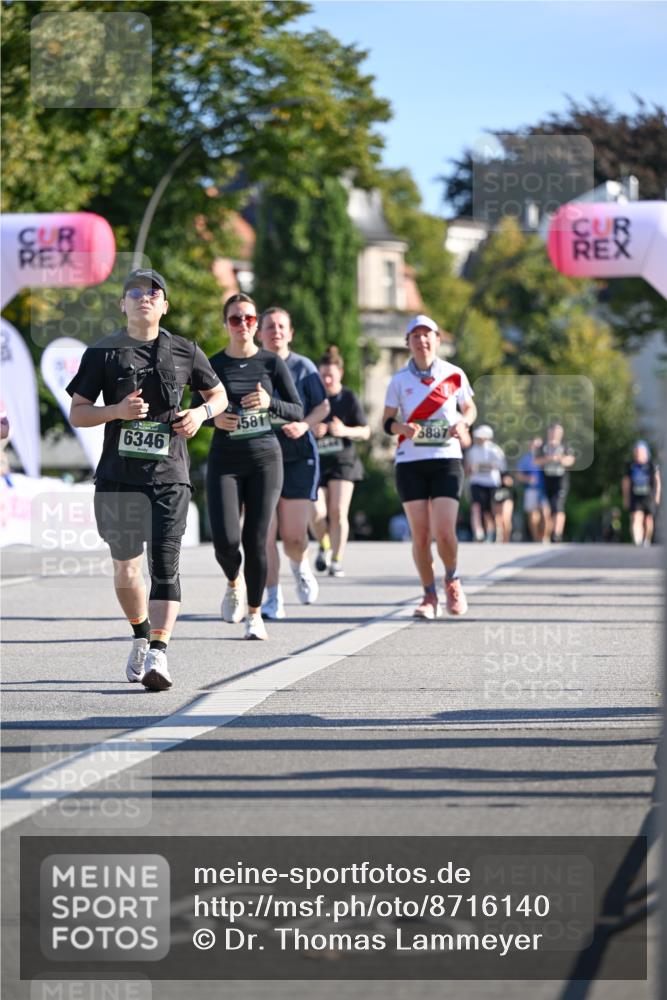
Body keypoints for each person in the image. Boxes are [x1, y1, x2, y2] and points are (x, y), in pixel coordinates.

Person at [67, 268, 227, 691]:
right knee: (125, 568)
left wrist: (200, 414)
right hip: (118, 478)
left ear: (164, 305)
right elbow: (78, 412)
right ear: (122, 304)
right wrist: (115, 412)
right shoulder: (102, 353)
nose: (144, 297)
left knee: (165, 563)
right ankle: (140, 633)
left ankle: (159, 652)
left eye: (154, 292)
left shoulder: (185, 351)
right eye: (134, 292)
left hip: (169, 476)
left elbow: (218, 395)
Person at [193, 293, 304, 640]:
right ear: (225, 323)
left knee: (255, 539)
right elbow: (193, 413)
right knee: (225, 541)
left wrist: (271, 403)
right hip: (225, 461)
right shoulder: (211, 365)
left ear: (257, 324)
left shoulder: (272, 363)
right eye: (236, 319)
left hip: (264, 460)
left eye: (250, 319)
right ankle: (232, 581)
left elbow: (298, 410)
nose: (244, 325)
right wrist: (215, 420)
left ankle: (255, 614)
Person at [382, 314, 475, 619]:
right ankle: (428, 595)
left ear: (437, 339)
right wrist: (402, 428)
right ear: (407, 342)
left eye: (427, 335)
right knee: (421, 536)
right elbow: (386, 421)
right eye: (415, 336)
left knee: (445, 532)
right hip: (411, 462)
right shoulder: (398, 380)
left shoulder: (454, 374)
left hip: (446, 459)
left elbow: (470, 408)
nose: (422, 341)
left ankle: (452, 578)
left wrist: (464, 423)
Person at [257, 307, 330, 620]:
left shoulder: (303, 367)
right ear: (260, 333)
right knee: (265, 533)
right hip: (259, 455)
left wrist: (304, 425)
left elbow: (322, 406)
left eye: (281, 326)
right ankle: (273, 597)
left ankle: (300, 566)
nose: (276, 331)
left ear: (291, 332)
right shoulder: (252, 366)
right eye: (270, 326)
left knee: (294, 536)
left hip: (298, 456)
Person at [311, 346, 370, 577]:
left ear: (340, 373)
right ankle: (324, 545)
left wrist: (343, 429)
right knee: (316, 513)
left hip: (343, 462)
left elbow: (365, 432)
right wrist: (312, 428)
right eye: (323, 374)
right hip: (316, 463)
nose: (326, 379)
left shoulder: (348, 398)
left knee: (337, 511)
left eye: (331, 375)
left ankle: (336, 559)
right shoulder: (313, 398)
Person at [464, 425, 509, 542]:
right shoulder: (472, 451)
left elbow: (501, 467)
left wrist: (485, 466)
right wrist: (471, 469)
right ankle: (478, 532)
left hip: (491, 483)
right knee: (476, 507)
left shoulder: (495, 450)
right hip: (476, 482)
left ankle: (494, 532)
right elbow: (468, 469)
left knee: (491, 510)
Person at [535, 422, 575, 542]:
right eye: (553, 432)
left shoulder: (565, 447)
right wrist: (548, 458)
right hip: (547, 480)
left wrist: (559, 458)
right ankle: (551, 532)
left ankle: (557, 533)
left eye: (557, 433)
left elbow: (571, 460)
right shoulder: (543, 447)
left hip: (561, 480)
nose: (554, 435)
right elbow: (536, 461)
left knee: (558, 506)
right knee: (550, 507)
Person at [622, 440, 661, 546]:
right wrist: (626, 497)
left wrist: (657, 496)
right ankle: (637, 540)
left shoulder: (652, 465)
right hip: (635, 495)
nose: (638, 454)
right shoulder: (631, 465)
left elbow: (657, 481)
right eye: (636, 452)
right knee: (635, 517)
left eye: (640, 452)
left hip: (649, 496)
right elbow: (626, 482)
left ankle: (646, 540)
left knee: (648, 519)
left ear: (645, 453)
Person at [516, 436, 548, 542]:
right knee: (533, 516)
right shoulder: (526, 459)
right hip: (531, 489)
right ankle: (536, 538)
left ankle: (545, 536)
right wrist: (528, 478)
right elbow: (519, 475)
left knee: (545, 513)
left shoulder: (545, 457)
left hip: (544, 490)